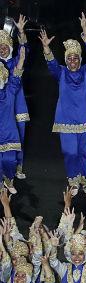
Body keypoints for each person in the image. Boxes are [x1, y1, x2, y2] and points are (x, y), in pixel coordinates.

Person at [40, 28, 86, 195]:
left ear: (80, 59)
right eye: (69, 58)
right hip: (66, 120)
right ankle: (73, 181)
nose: (72, 61)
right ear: (66, 60)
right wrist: (46, 47)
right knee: (70, 152)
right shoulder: (61, 72)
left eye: (75, 58)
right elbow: (51, 63)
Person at [0, 15, 29, 179]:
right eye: (0, 47)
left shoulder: (17, 59)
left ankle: (18, 166)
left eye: (5, 47)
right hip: (3, 107)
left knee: (19, 137)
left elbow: (24, 48)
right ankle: (4, 168)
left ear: (10, 47)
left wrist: (21, 31)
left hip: (18, 104)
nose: (2, 49)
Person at [0, 46, 24, 193]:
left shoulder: (10, 91)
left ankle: (9, 179)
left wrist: (21, 60)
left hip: (9, 133)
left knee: (9, 160)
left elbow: (16, 77)